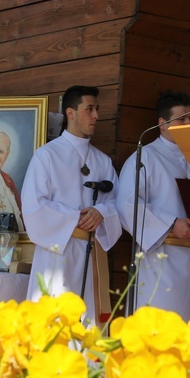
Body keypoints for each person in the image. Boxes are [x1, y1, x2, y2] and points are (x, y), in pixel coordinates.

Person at [22, 85, 121, 325]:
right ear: (71, 113)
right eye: (89, 109)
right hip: (57, 251)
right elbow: (34, 205)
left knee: (88, 324)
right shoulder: (46, 155)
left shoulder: (102, 161)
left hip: (92, 252)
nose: (96, 115)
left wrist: (101, 212)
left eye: (97, 109)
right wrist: (75, 218)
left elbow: (119, 203)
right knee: (56, 320)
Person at [116, 91, 190, 320]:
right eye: (182, 118)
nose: (188, 123)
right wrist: (171, 224)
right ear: (163, 124)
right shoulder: (145, 157)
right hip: (162, 258)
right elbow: (127, 204)